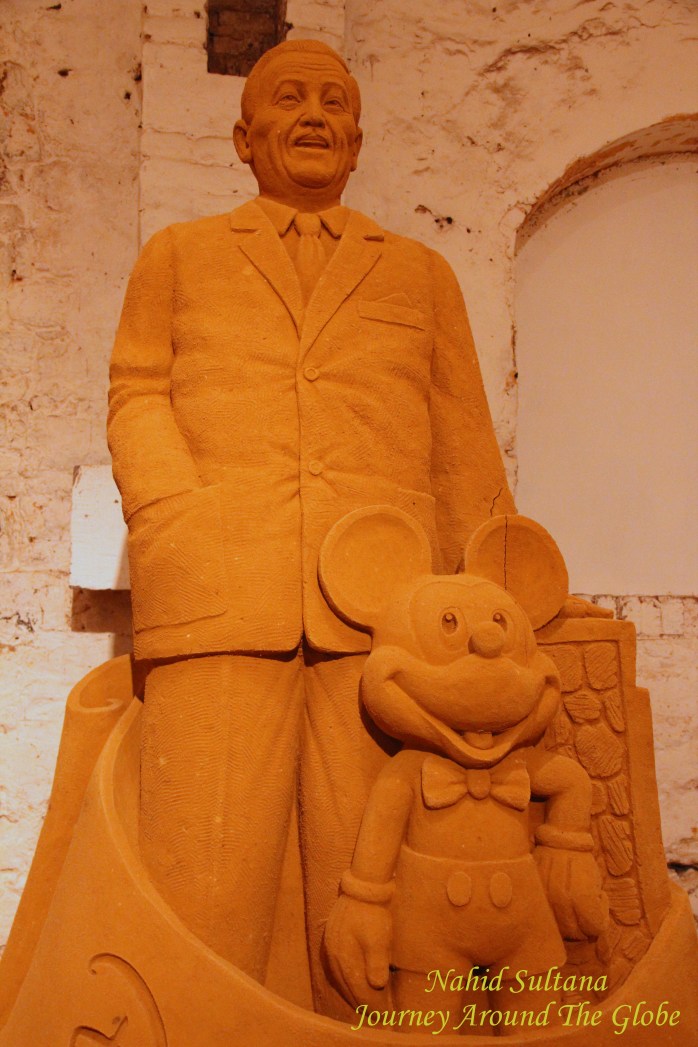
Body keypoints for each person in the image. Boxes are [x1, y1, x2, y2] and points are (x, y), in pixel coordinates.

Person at [107, 38, 515, 1017]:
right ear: (244, 137)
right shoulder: (179, 254)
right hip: (217, 595)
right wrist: (174, 515)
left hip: (385, 620)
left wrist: (495, 588)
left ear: (358, 137)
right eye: (287, 99)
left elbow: (460, 440)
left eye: (333, 101)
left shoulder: (417, 274)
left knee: (369, 893)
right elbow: (135, 392)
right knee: (203, 882)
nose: (313, 115)